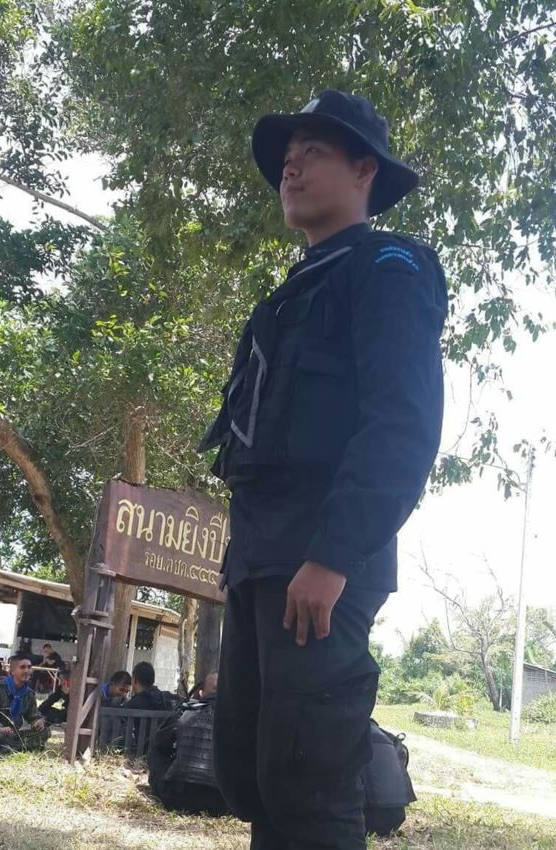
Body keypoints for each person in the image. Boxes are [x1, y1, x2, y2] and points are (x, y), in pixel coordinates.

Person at [198, 90, 447, 850]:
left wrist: (334, 555)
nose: (291, 168)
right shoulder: (286, 296)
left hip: (321, 562)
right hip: (260, 561)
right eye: (287, 157)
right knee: (252, 773)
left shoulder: (389, 268)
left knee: (310, 782)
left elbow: (402, 425)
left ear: (365, 171)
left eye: (313, 152)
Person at [148, 671, 228, 816]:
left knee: (156, 749)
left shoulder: (186, 711)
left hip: (177, 797)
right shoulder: (239, 720)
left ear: (202, 693)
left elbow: (159, 742)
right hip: (223, 803)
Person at [0, 654, 50, 757]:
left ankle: (9, 748)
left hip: (12, 734)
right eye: (22, 667)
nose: (27, 671)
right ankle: (17, 747)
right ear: (12, 671)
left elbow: (33, 715)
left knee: (45, 731)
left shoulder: (28, 693)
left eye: (29, 667)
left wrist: (38, 721)